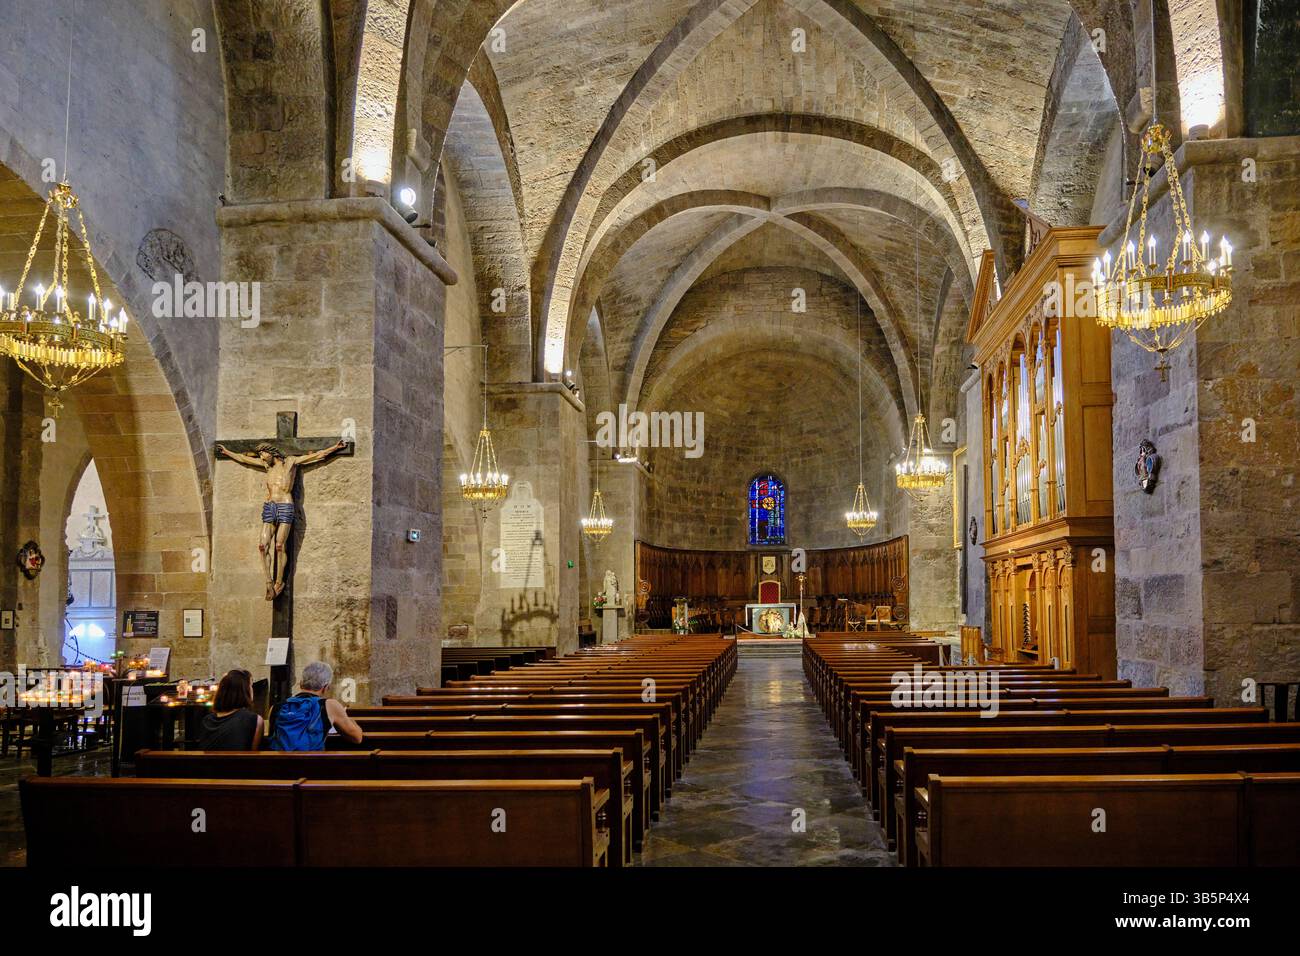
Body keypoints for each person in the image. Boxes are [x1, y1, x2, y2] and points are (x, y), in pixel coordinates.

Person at [269, 660, 363, 751]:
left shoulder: (276, 707)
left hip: (279, 765)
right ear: (325, 688)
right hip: (312, 765)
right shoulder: (329, 705)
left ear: (301, 683)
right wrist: (350, 720)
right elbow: (357, 738)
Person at [196, 669, 263, 750]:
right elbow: (254, 755)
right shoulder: (254, 720)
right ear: (244, 690)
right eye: (251, 685)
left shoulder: (207, 720)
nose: (252, 689)